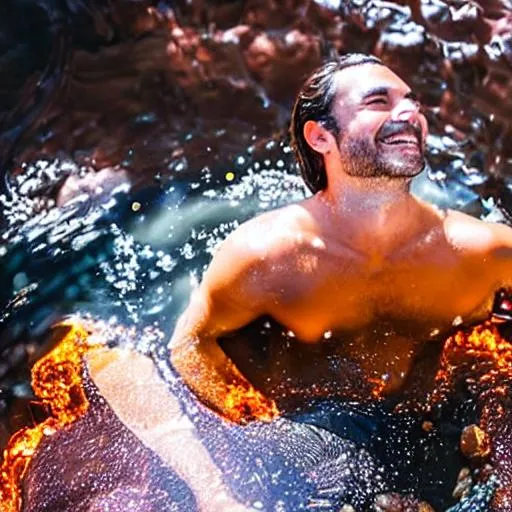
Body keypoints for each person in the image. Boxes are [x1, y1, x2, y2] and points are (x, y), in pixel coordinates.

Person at [170, 53, 512, 422]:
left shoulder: (487, 251)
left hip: (438, 421)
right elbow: (191, 344)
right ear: (320, 137)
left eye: (414, 104)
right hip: (313, 423)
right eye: (379, 102)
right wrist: (257, 429)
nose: (411, 114)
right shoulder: (265, 257)